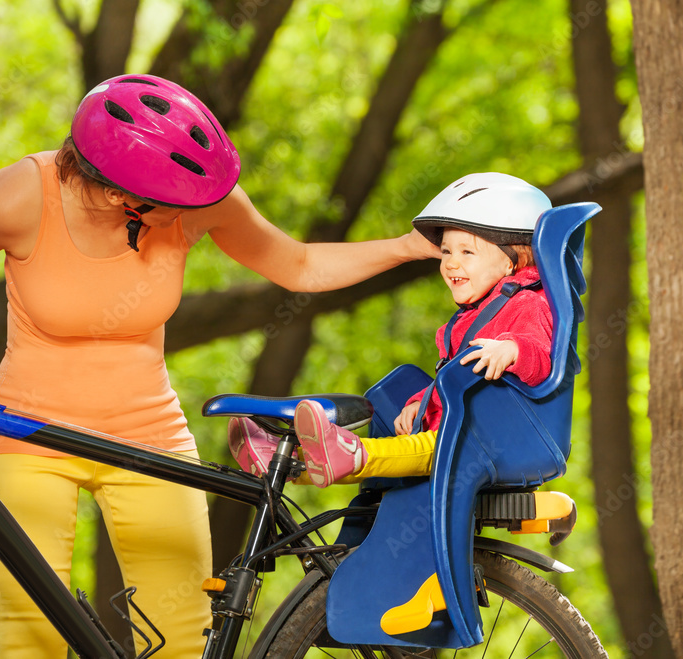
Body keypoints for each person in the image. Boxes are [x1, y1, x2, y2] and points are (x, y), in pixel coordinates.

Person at [0, 74, 439, 658]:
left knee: (181, 636)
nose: (194, 213)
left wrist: (407, 246)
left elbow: (298, 265)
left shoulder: (195, 199)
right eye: (176, 207)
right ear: (121, 196)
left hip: (149, 435)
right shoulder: (21, 194)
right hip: (24, 435)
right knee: (29, 637)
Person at [229, 172, 554, 487]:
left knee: (408, 451)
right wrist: (421, 404)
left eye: (467, 252)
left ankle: (348, 452)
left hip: (480, 441)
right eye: (446, 252)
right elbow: (451, 382)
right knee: (394, 460)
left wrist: (512, 349)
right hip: (452, 428)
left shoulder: (525, 305)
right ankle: (288, 465)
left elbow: (540, 358)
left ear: (513, 260)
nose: (451, 263)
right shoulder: (468, 319)